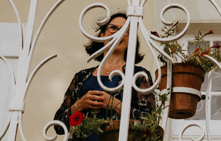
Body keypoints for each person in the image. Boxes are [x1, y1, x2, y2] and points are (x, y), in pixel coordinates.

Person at [55, 12, 155, 140]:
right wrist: (80, 104)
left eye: (125, 31)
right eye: (113, 28)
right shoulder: (82, 76)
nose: (118, 33)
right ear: (102, 34)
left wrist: (115, 104)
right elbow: (58, 126)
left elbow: (149, 123)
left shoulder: (139, 75)